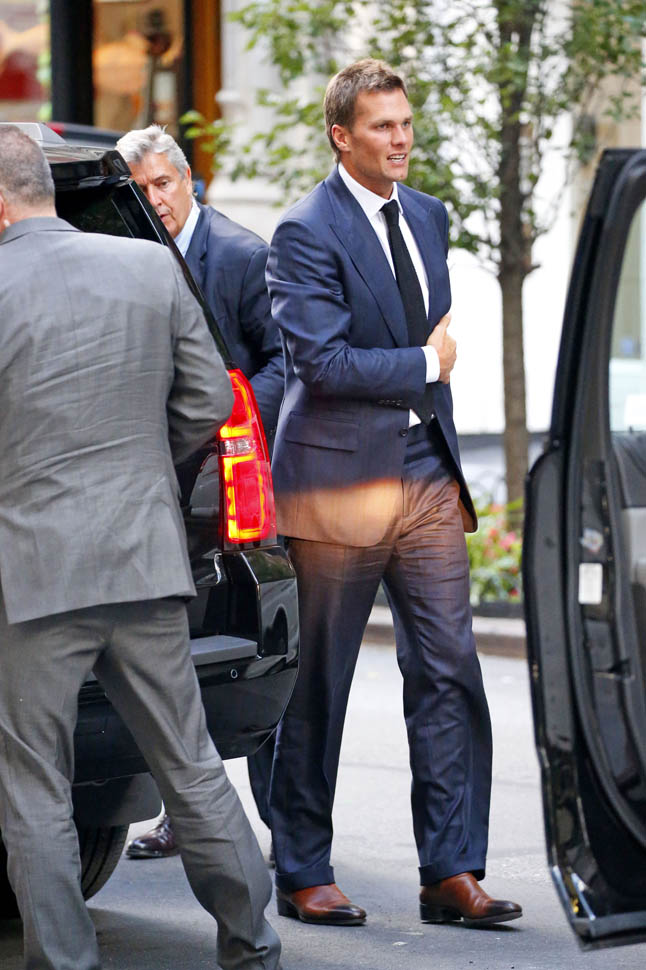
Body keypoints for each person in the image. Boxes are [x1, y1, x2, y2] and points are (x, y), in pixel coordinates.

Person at [0, 124, 281, 970]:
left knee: (35, 784)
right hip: (148, 559)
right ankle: (253, 947)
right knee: (190, 763)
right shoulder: (151, 267)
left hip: (34, 577)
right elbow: (208, 402)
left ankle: (67, 962)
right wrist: (147, 475)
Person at [265, 59, 523, 928]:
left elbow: (422, 331)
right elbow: (323, 363)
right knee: (321, 683)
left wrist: (426, 371)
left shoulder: (429, 215)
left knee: (449, 669)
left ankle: (451, 870)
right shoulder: (304, 230)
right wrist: (425, 363)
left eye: (406, 122)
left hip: (425, 469)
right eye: (382, 125)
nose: (401, 138)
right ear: (342, 136)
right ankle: (302, 867)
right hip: (338, 480)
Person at [115, 124, 283, 859]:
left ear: (190, 180)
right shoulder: (124, 252)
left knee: (247, 659)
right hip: (150, 481)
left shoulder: (242, 254)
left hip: (226, 480)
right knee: (170, 654)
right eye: (141, 189)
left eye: (164, 183)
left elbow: (282, 362)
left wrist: (231, 426)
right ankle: (182, 818)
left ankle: (286, 836)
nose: (156, 198)